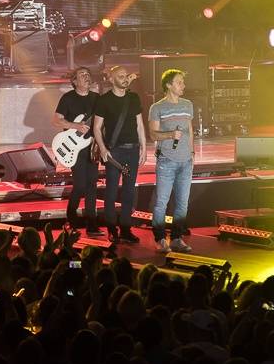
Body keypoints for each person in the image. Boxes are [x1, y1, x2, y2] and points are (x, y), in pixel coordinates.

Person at [93, 66, 146, 244]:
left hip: (132, 150)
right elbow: (97, 128)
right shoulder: (104, 100)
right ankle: (111, 227)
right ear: (111, 79)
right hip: (114, 151)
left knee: (129, 190)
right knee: (112, 189)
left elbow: (139, 125)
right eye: (121, 76)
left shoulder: (133, 98)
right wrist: (103, 149)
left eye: (126, 76)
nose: (125, 79)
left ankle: (125, 228)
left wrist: (144, 148)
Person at [52, 66, 103, 236]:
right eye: (82, 75)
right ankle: (71, 218)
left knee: (92, 185)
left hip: (91, 146)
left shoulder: (97, 98)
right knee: (80, 185)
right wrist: (75, 126)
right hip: (74, 147)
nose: (86, 77)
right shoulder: (68, 98)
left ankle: (92, 224)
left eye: (88, 74)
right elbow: (56, 120)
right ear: (74, 81)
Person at [148, 69, 194, 253]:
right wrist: (170, 135)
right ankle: (160, 238)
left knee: (183, 203)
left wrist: (192, 152)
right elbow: (153, 135)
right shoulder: (157, 108)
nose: (183, 85)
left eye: (183, 82)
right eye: (179, 82)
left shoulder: (188, 105)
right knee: (162, 202)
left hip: (186, 161)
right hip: (167, 160)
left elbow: (190, 130)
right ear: (168, 85)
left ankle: (176, 238)